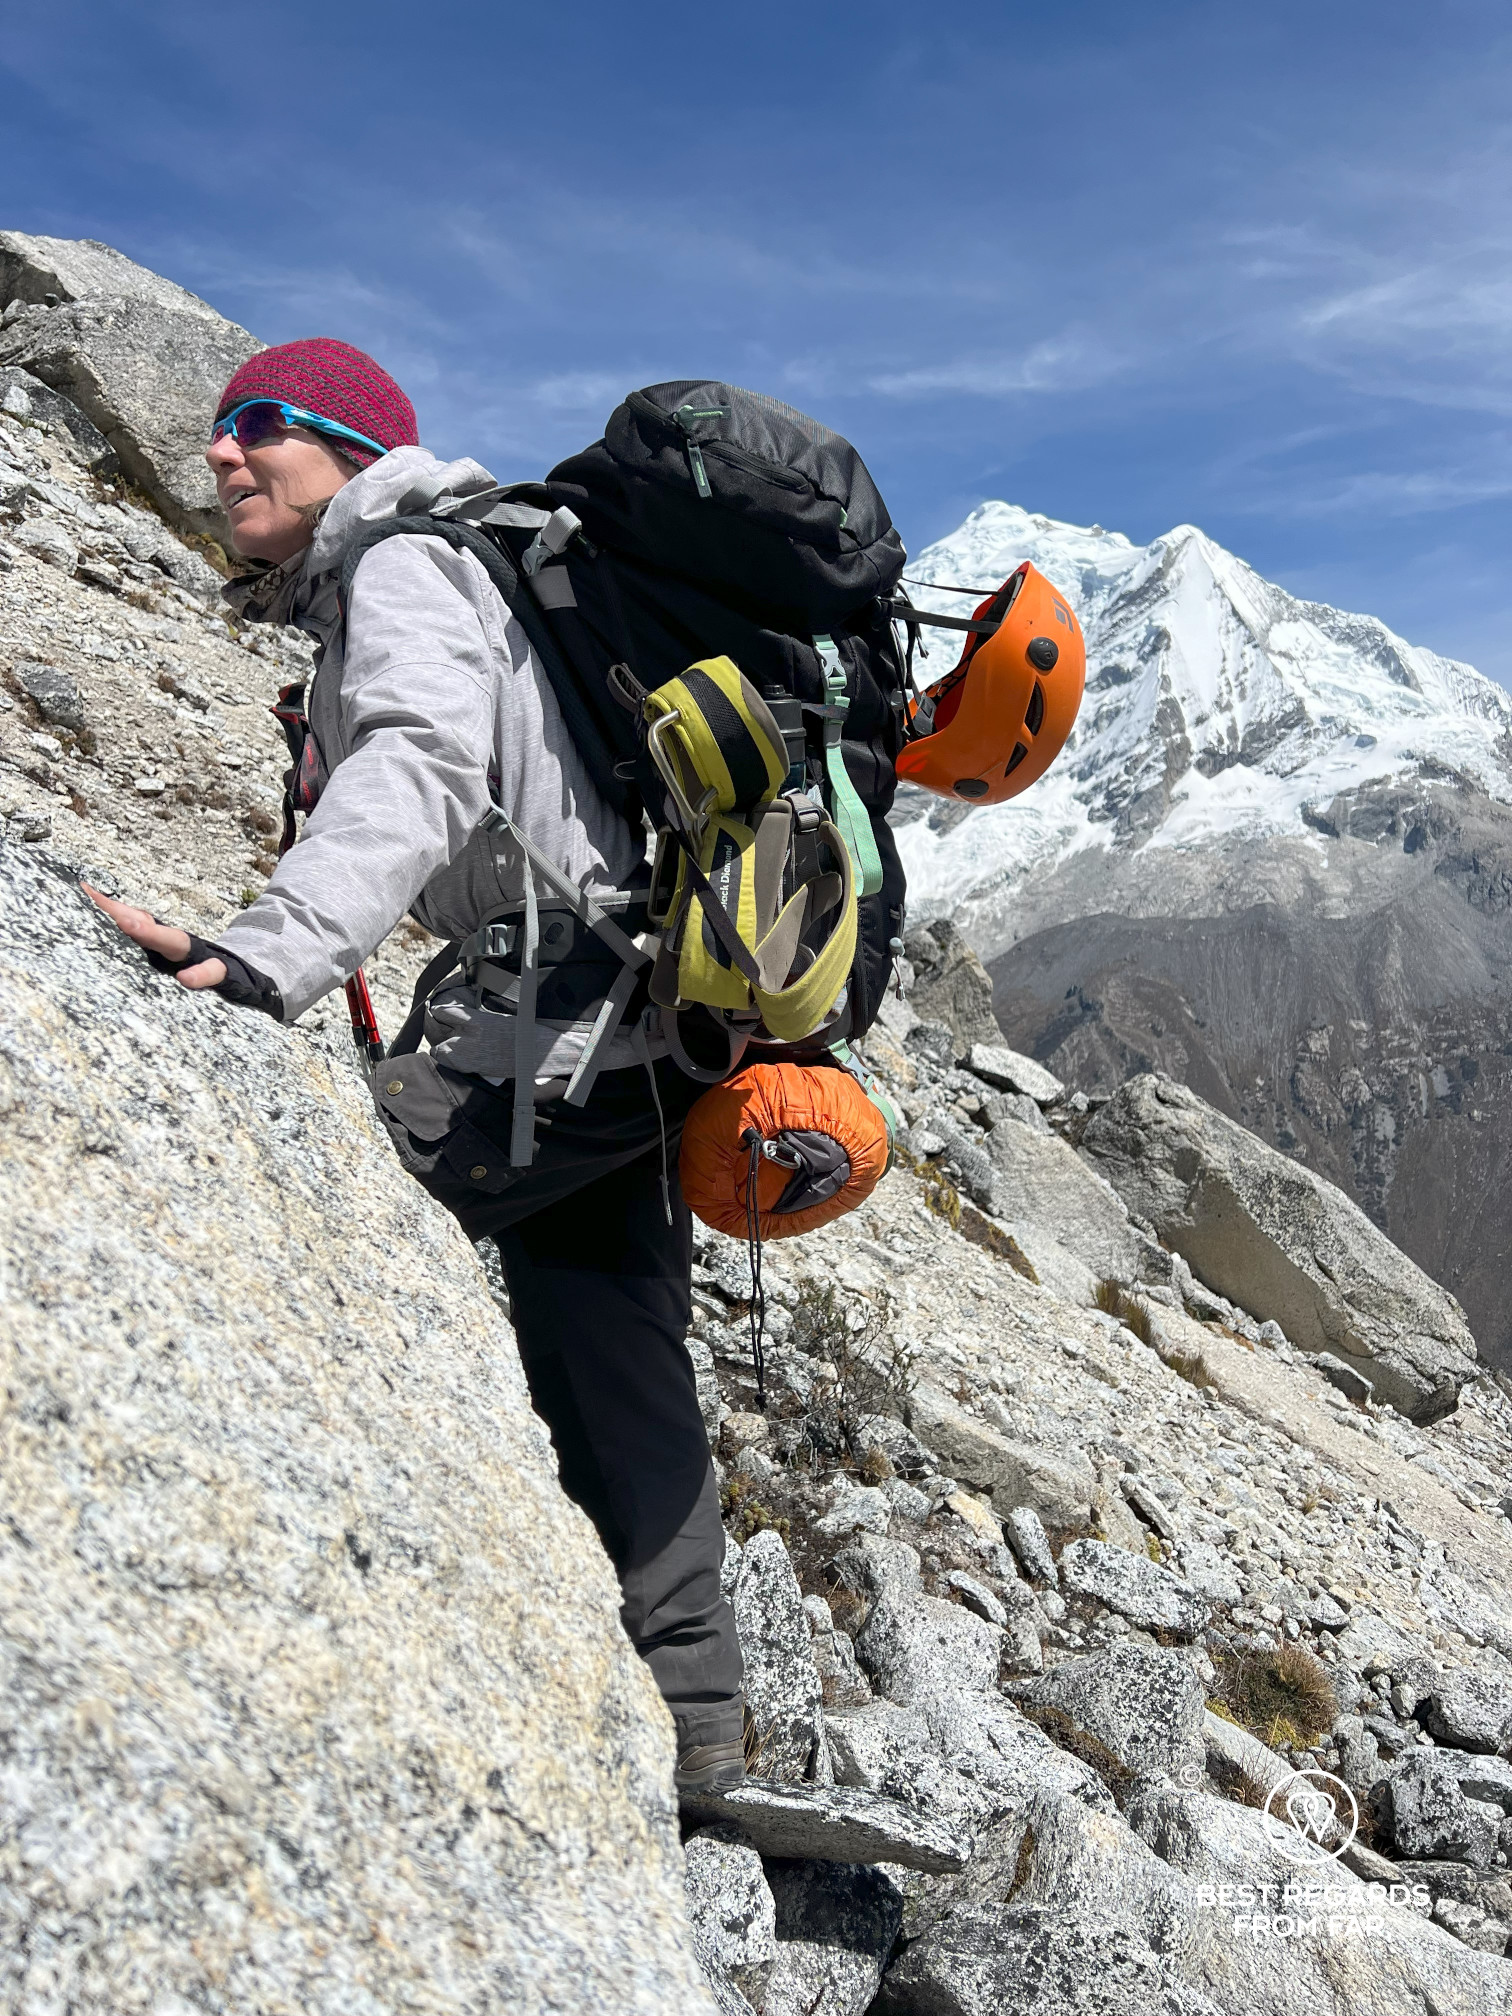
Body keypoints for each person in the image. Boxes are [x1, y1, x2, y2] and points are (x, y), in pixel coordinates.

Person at [86, 338, 746, 1794]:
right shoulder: (459, 568)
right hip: (635, 1018)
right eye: (215, 429)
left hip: (556, 1013)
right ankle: (697, 1717)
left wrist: (273, 954)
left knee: (320, 1223)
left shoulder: (404, 561)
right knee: (607, 1330)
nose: (220, 454)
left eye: (259, 425)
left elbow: (422, 763)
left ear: (349, 449)